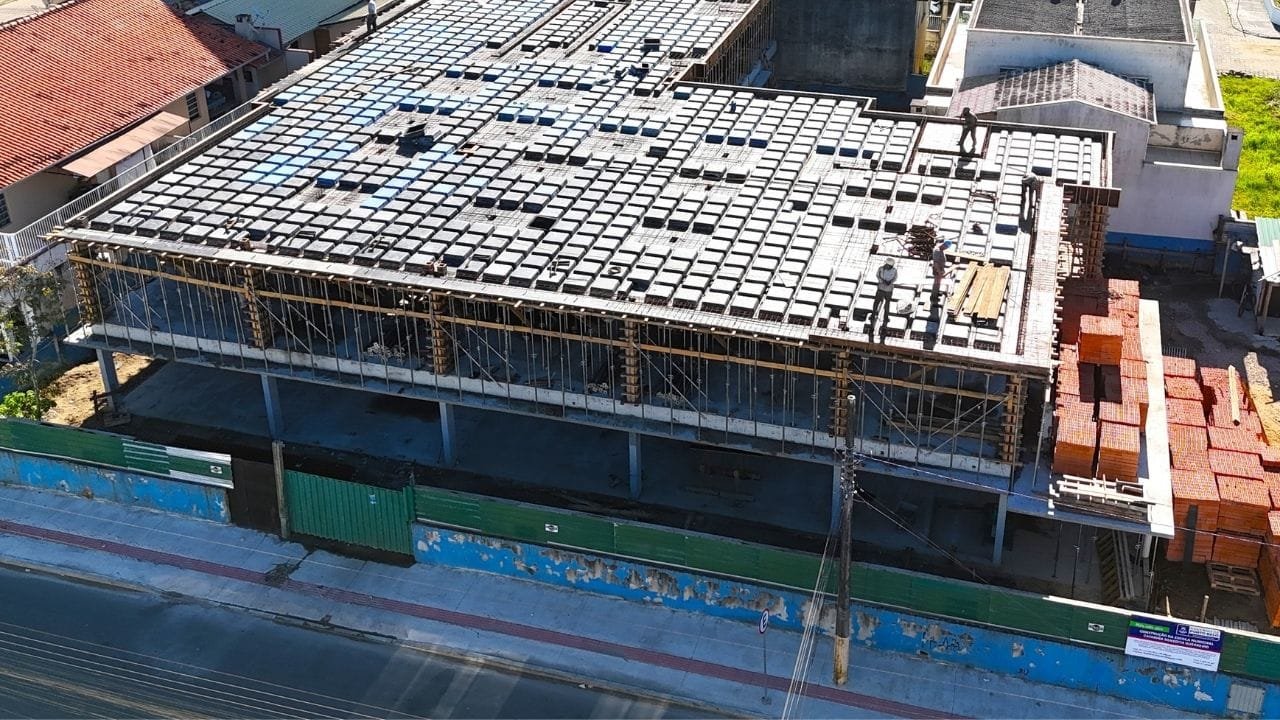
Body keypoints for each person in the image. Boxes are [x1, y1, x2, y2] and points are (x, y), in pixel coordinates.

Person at [869, 258, 898, 335]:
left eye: (887, 264)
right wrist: (882, 281)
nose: (885, 265)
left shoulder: (894, 271)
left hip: (888, 289)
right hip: (881, 288)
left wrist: (890, 282)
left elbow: (895, 278)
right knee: (876, 302)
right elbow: (878, 276)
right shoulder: (881, 269)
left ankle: (886, 317)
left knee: (887, 303)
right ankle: (873, 314)